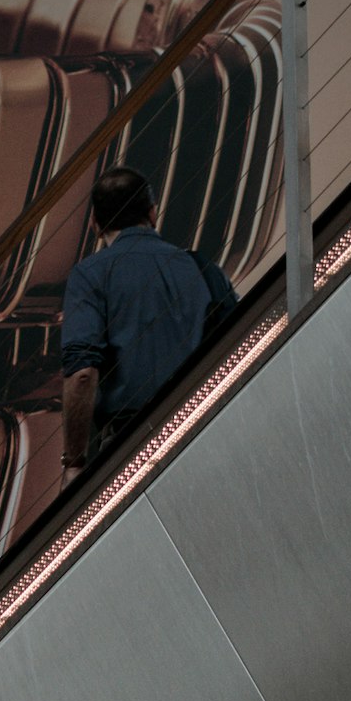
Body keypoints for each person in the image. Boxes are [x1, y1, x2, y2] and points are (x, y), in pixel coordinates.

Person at [57, 168, 236, 476]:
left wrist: (74, 462)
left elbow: (83, 375)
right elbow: (241, 342)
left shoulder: (90, 275)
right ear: (152, 213)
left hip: (129, 444)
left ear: (95, 225)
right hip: (205, 429)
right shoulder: (203, 268)